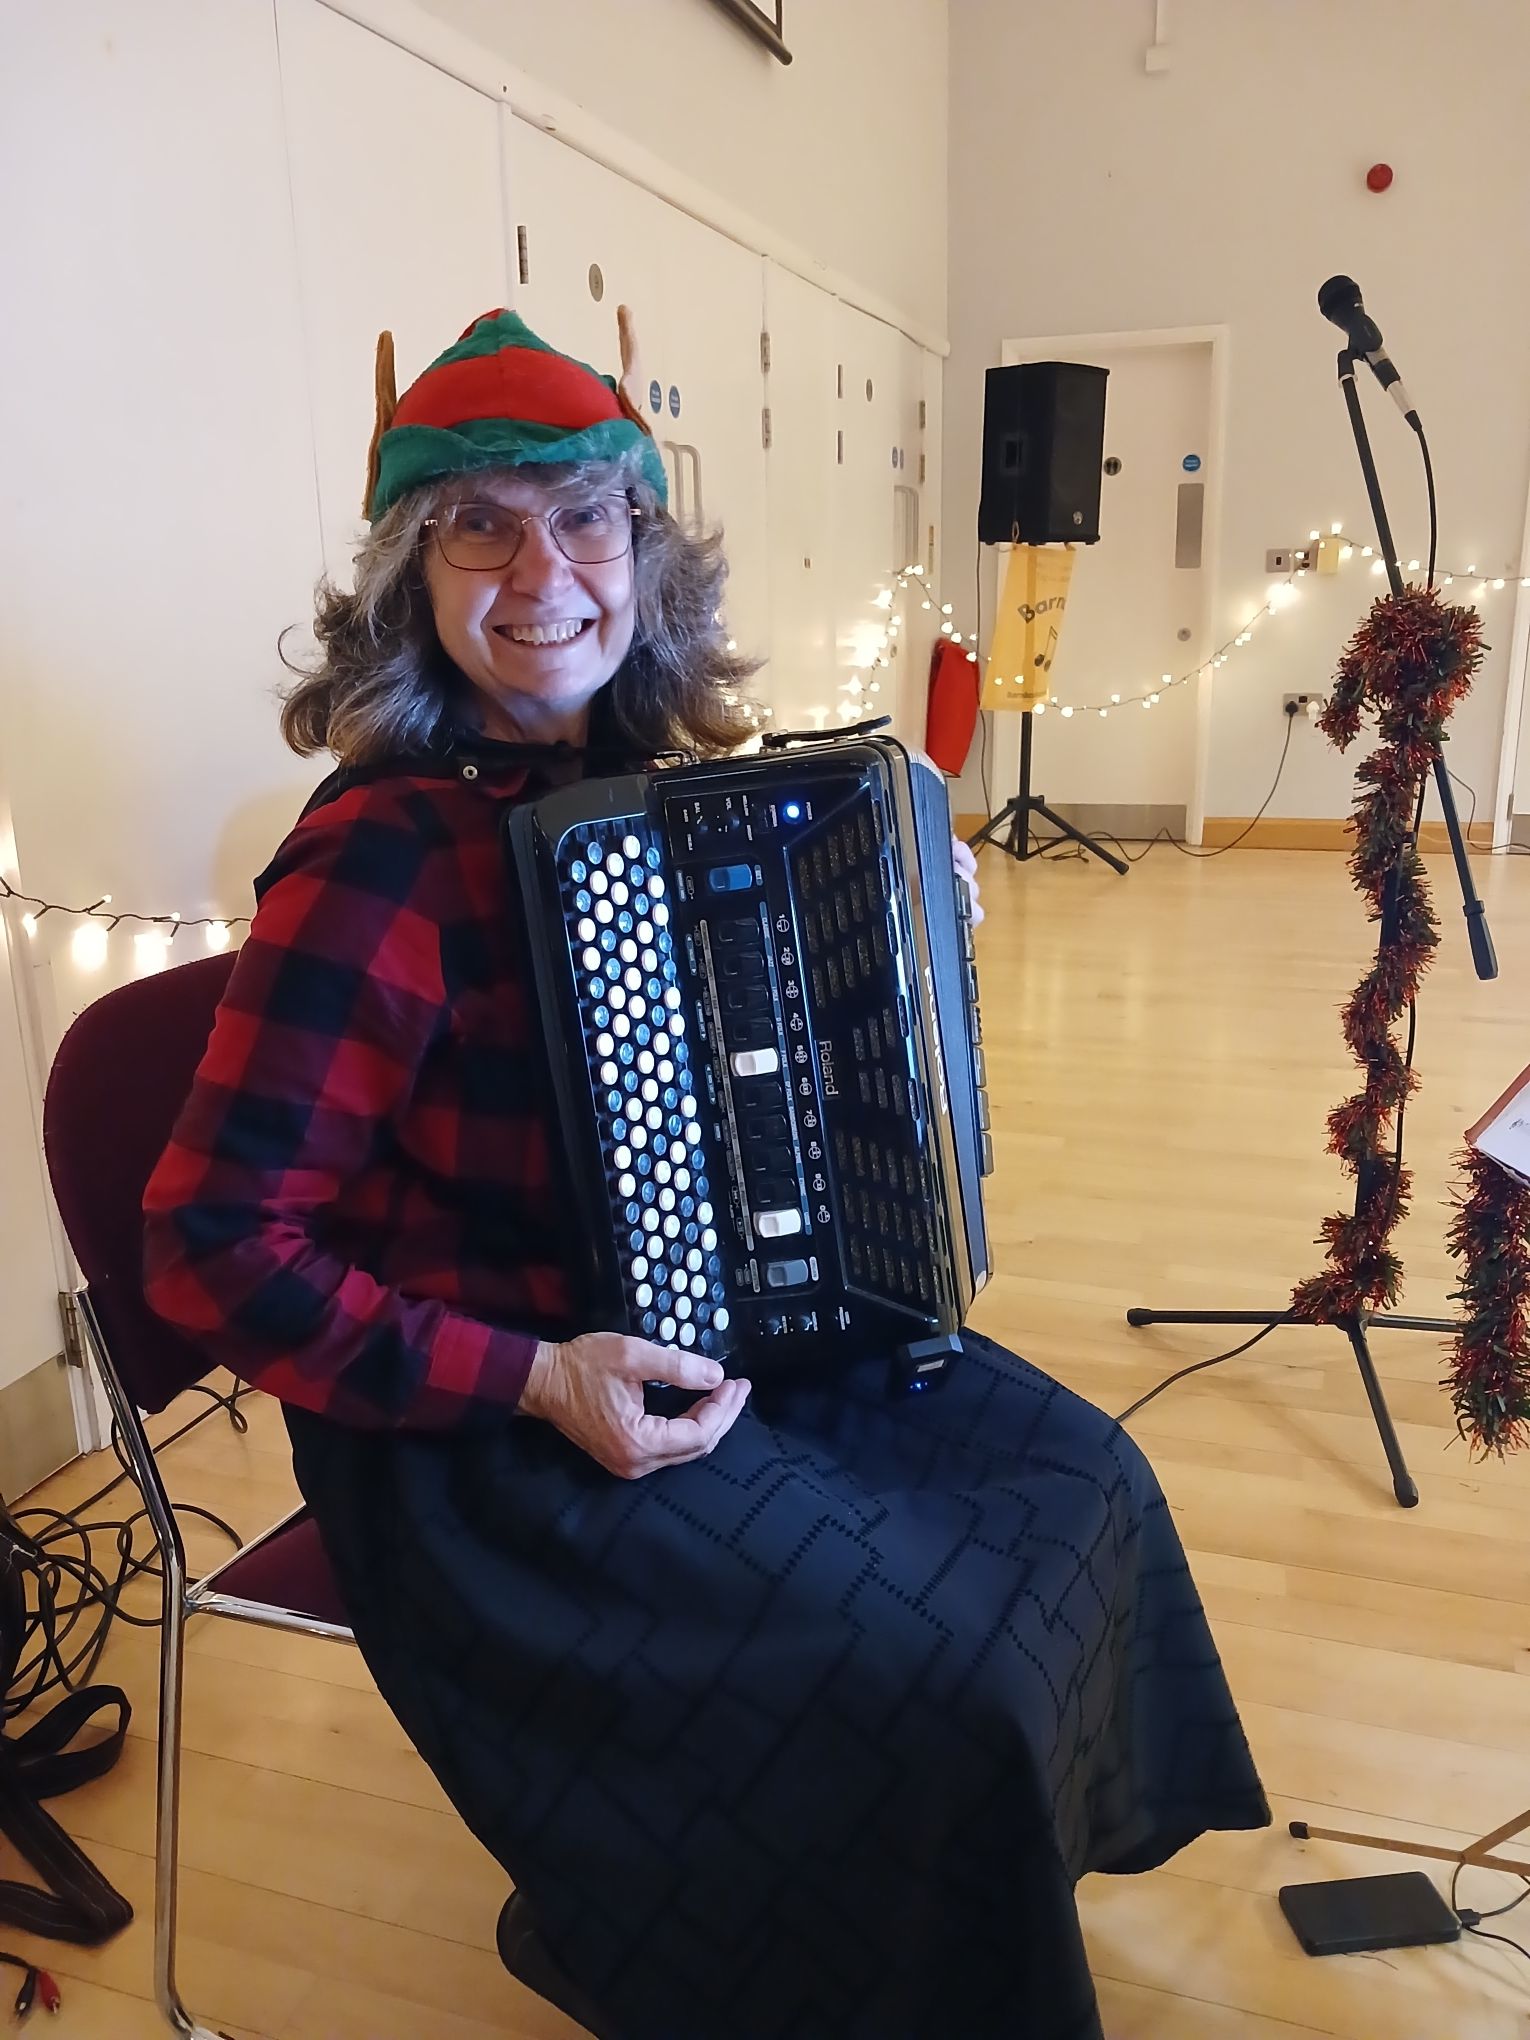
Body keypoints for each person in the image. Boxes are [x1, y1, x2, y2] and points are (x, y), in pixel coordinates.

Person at [143, 308, 1268, 2040]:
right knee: (930, 1673)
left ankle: (905, 1918)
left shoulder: (636, 788)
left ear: (643, 553)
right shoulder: (379, 860)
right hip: (481, 1426)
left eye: (585, 517)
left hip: (689, 1317)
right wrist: (535, 1378)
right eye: (478, 526)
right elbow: (212, 1245)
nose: (544, 572)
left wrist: (909, 916)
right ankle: (745, 1946)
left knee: (1081, 1481)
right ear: (409, 580)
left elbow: (747, 1076)